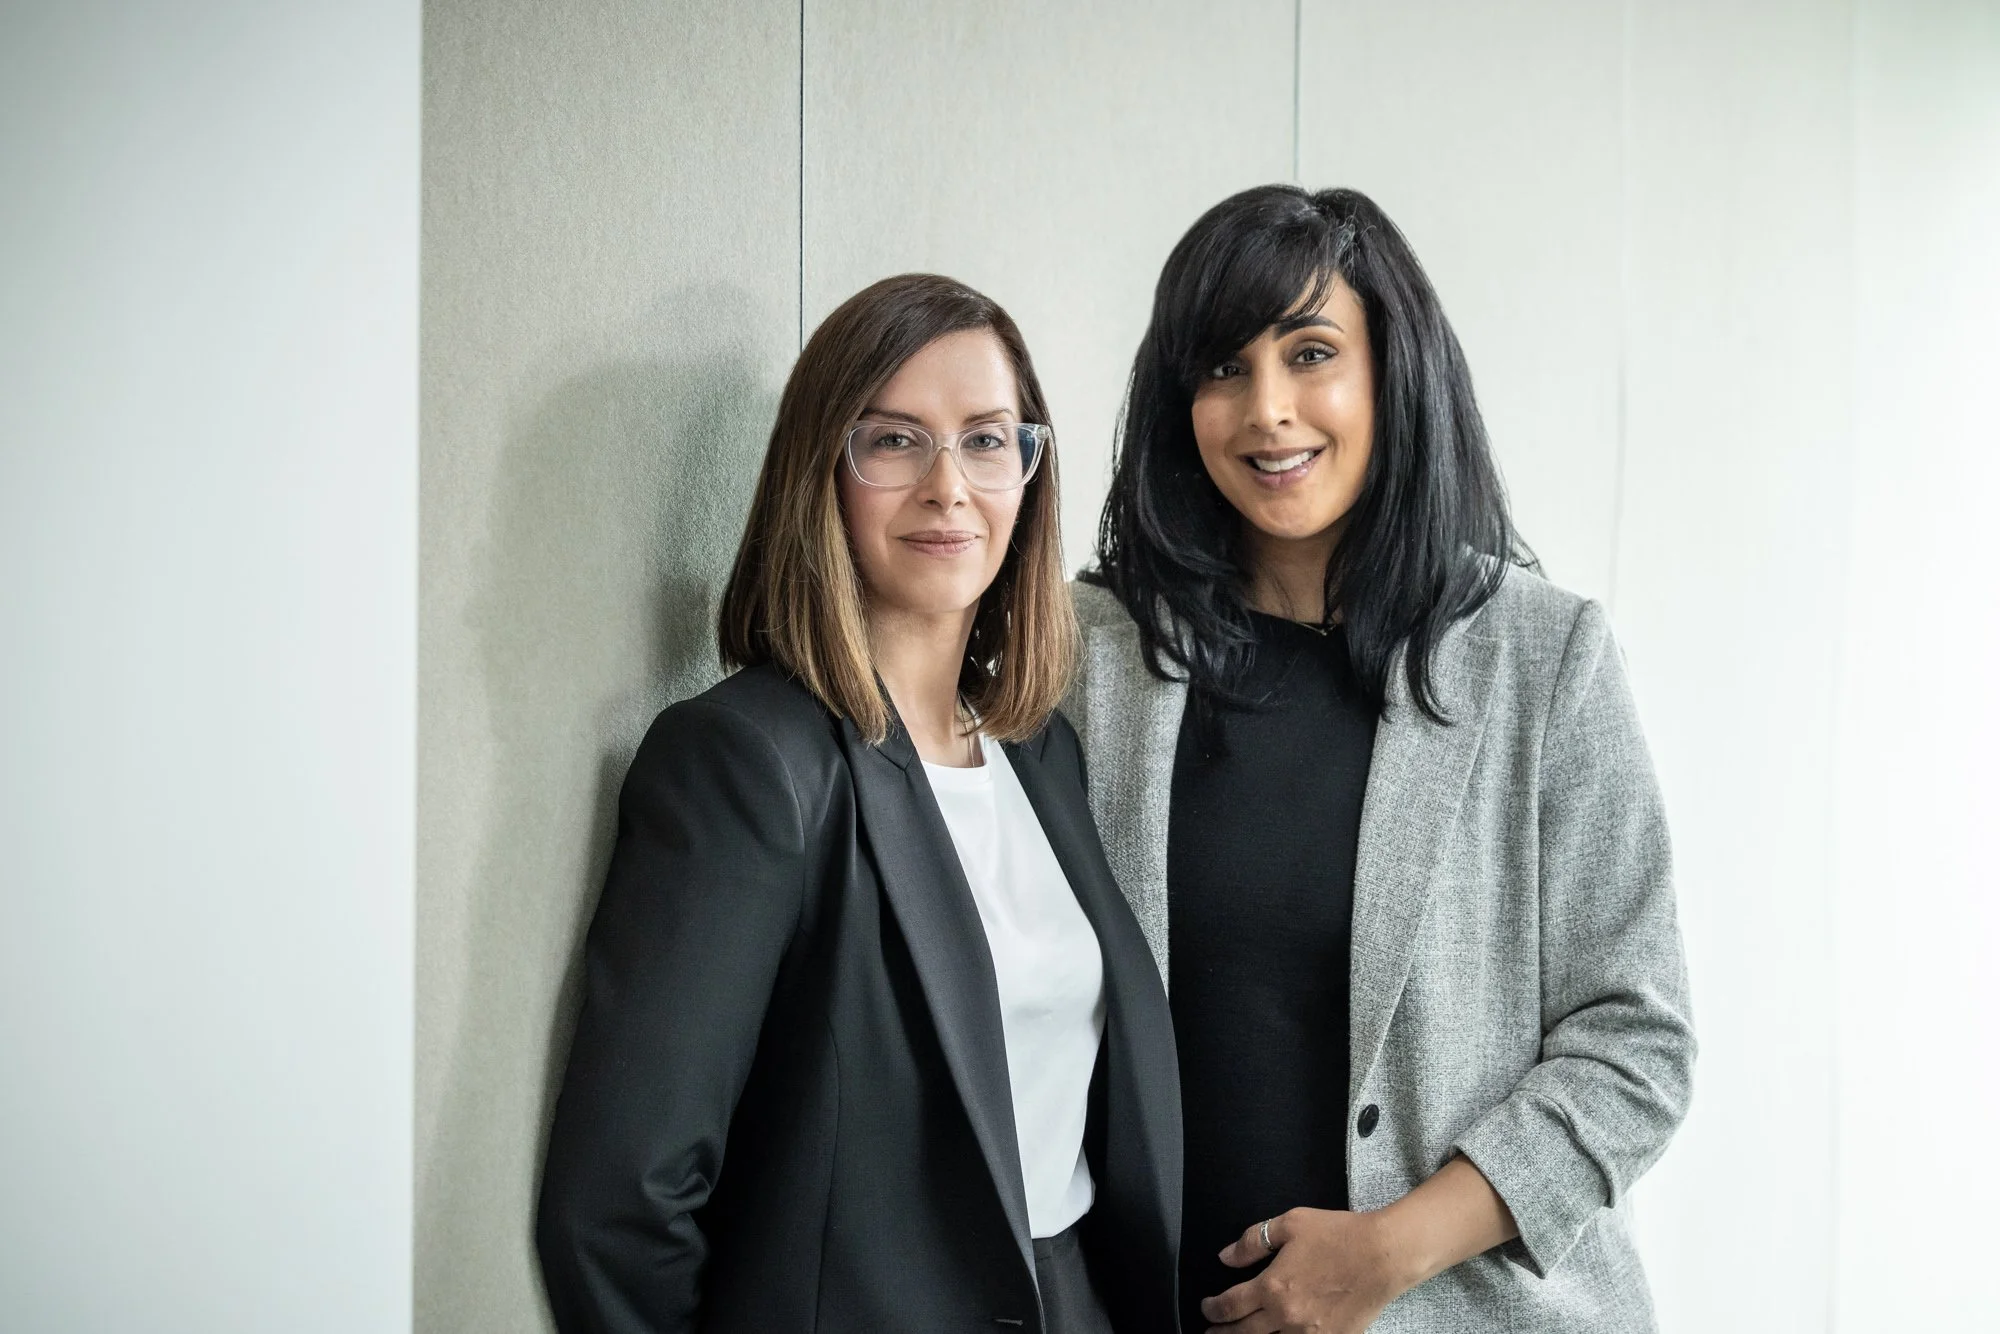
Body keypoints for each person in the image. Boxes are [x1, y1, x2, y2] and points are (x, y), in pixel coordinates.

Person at [1065, 185, 1696, 1333]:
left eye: (1310, 354)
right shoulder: (1093, 657)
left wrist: (1382, 1254)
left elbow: (1635, 1042)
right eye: (1220, 367)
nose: (1266, 411)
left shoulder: (1541, 659)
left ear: (1390, 372)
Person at [535, 273, 1180, 1334]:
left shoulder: (1036, 751)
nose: (948, 486)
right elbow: (619, 1200)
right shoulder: (744, 762)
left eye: (985, 439)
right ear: (819, 470)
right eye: (892, 441)